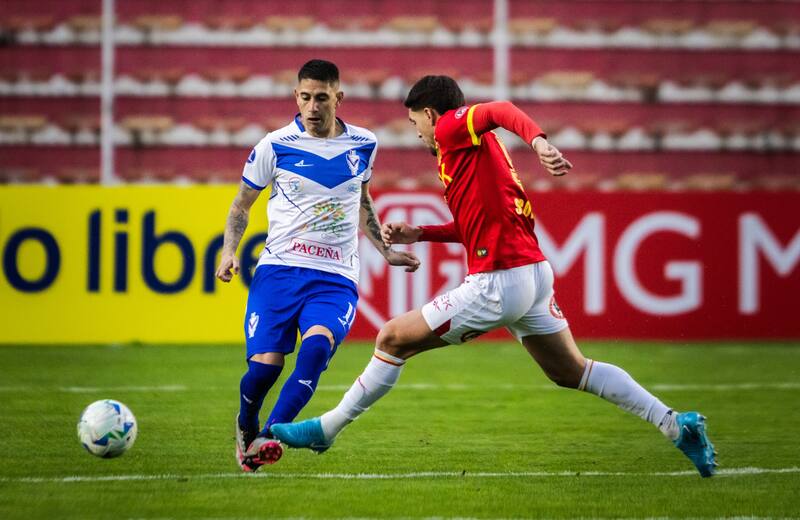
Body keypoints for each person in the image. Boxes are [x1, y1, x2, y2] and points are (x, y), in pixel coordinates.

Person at [270, 75, 717, 478]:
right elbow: (476, 224)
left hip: (499, 280)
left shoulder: (450, 128)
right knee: (571, 371)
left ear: (429, 114)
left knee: (390, 339)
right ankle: (676, 425)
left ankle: (327, 430)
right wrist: (422, 233)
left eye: (414, 124)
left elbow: (500, 109)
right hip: (534, 275)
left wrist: (539, 141)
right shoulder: (474, 154)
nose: (419, 133)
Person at [215, 59, 420, 472]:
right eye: (305, 97)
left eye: (321, 98)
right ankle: (246, 424)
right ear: (296, 97)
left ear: (338, 99)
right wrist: (229, 251)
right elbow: (241, 205)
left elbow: (361, 203)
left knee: (315, 349)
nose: (312, 106)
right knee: (263, 372)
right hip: (278, 272)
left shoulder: (364, 144)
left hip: (334, 277)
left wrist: (385, 251)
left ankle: (269, 437)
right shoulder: (274, 145)